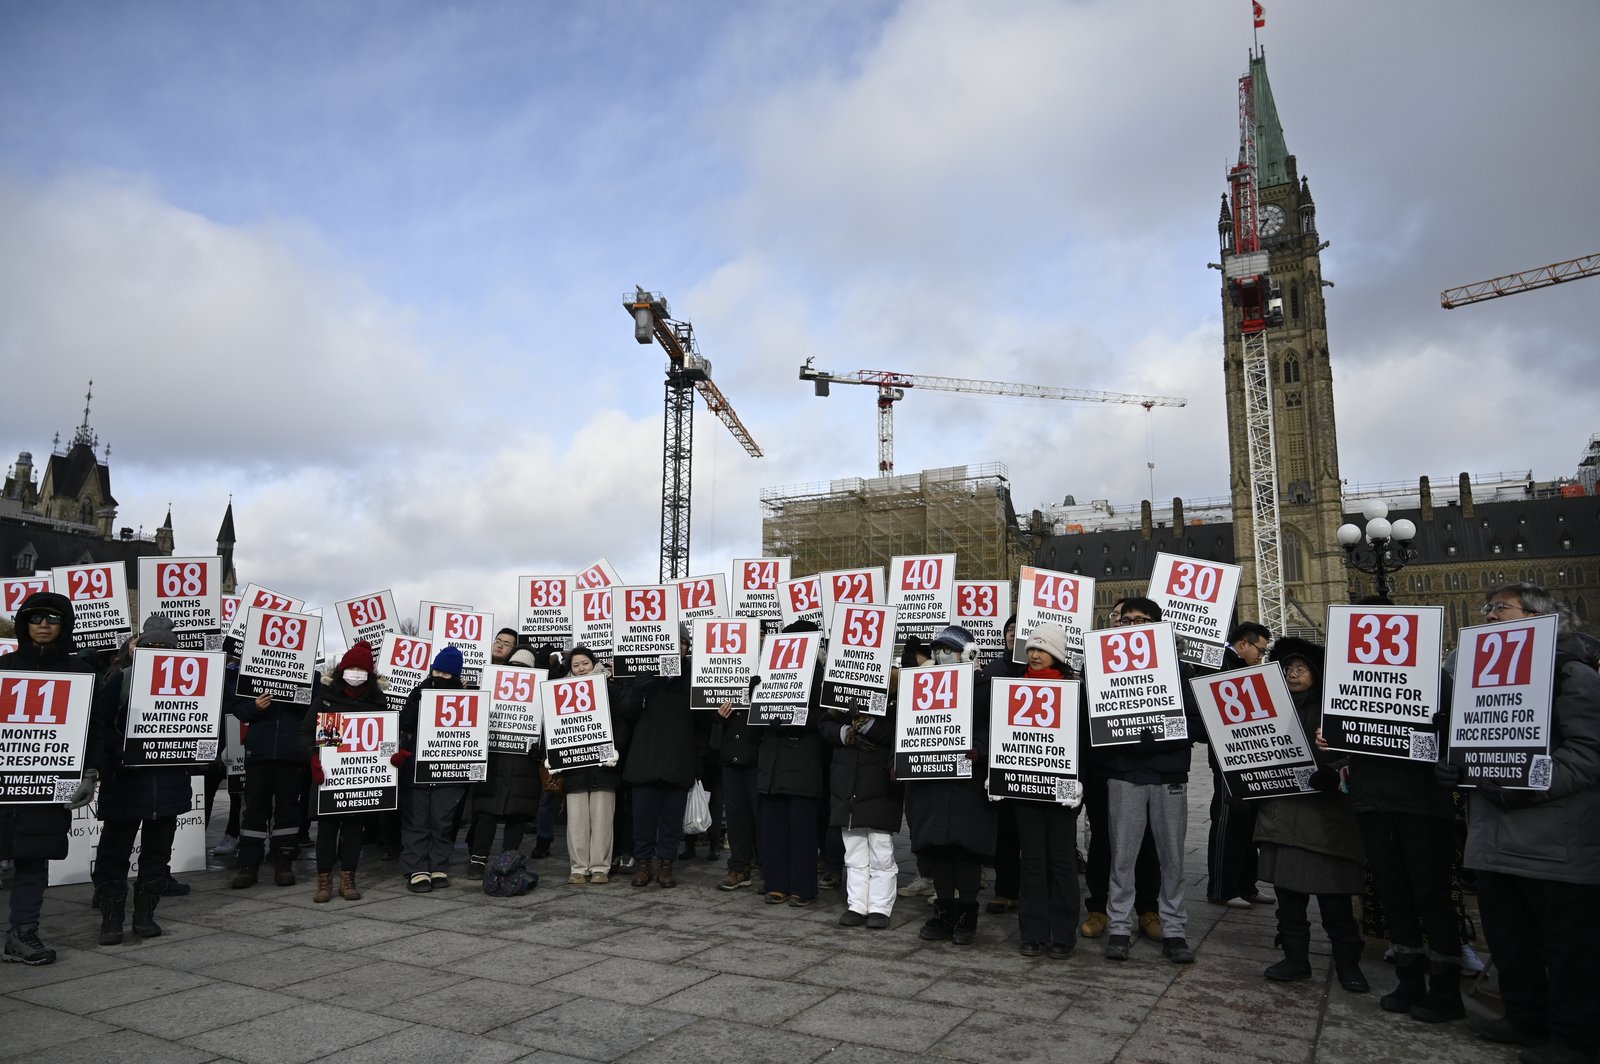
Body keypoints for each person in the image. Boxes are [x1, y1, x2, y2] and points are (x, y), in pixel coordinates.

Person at [1457, 584, 1600, 1062]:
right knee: (1510, 939)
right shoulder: (1482, 679)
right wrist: (1455, 766)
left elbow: (1587, 754)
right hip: (1495, 840)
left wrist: (1527, 785)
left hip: (1554, 842)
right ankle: (1524, 1018)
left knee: (1568, 948)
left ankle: (1576, 1040)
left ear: (1539, 618)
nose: (1490, 615)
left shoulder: (1572, 674)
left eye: (1501, 607)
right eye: (1488, 607)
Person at [1255, 637, 1368, 992]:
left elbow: (1359, 752)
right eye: (1288, 668)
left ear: (1316, 672)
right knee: (1288, 899)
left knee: (1335, 899)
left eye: (1301, 668)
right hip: (1281, 815)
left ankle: (1348, 963)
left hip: (1325, 820)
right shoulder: (1271, 707)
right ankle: (1295, 958)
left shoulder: (1338, 705)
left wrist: (1335, 773)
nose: (1293, 674)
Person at [1100, 597, 1203, 965]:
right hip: (1124, 774)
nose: (1133, 626)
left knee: (1172, 858)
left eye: (1142, 620)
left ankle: (1174, 930)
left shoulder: (1179, 670)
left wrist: (1158, 737)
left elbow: (1197, 724)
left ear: (1157, 626)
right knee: (1122, 857)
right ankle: (1119, 928)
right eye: (1127, 620)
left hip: (1167, 775)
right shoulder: (1106, 668)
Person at [0, 592, 101, 965]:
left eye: (53, 619)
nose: (43, 625)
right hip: (4, 780)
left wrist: (90, 772)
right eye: (36, 618)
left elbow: (95, 729)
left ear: (65, 626)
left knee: (33, 859)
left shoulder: (82, 672)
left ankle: (22, 933)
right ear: (24, 624)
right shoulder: (3, 667)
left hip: (48, 782)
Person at [91, 613, 194, 943]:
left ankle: (145, 915)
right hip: (126, 783)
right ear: (140, 649)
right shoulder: (121, 681)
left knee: (157, 854)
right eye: (152, 646)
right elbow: (98, 727)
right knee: (113, 853)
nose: (158, 652)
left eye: (165, 647)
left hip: (168, 786)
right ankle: (111, 918)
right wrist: (119, 751)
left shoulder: (192, 686)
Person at [1080, 597, 1164, 944]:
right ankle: (1099, 908)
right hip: (1104, 769)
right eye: (1121, 618)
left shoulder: (1165, 663)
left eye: (1137, 620)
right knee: (1103, 840)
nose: (1126, 624)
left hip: (1147, 770)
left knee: (1147, 843)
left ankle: (1147, 909)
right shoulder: (1094, 663)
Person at [905, 625, 994, 946]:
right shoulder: (920, 684)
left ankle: (967, 913)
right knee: (938, 847)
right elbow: (908, 724)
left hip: (968, 781)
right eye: (938, 650)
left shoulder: (984, 687)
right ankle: (943, 911)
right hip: (932, 780)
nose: (942, 655)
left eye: (949, 650)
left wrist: (979, 747)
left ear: (967, 653)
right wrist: (896, 762)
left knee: (966, 849)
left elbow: (994, 726)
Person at [1011, 622, 1083, 958]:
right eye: (1032, 649)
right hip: (1026, 788)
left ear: (1057, 655)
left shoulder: (1074, 689)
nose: (1035, 655)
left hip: (1062, 788)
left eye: (1042, 649)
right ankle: (1033, 932)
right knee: (1032, 862)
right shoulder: (1014, 687)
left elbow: (1083, 741)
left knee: (1062, 860)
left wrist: (1080, 780)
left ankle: (1064, 933)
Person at [229, 639, 320, 889]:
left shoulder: (311, 676)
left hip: (292, 755)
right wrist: (255, 706)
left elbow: (317, 710)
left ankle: (284, 863)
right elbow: (237, 709)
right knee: (254, 810)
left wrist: (295, 698)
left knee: (288, 810)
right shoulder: (252, 672)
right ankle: (248, 866)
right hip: (259, 752)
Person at [750, 621, 829, 907]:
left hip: (802, 764)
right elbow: (756, 723)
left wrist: (791, 718)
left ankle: (802, 887)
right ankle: (777, 883)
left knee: (802, 831)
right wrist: (755, 696)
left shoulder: (819, 674)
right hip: (772, 764)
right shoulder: (768, 671)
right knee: (773, 829)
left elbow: (822, 716)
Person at [305, 640, 386, 903]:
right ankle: (324, 881)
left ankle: (348, 879)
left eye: (361, 670)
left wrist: (392, 757)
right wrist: (313, 758)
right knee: (327, 829)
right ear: (342, 670)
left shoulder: (377, 702)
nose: (355, 674)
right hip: (329, 776)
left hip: (359, 778)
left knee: (354, 829)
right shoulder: (326, 698)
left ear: (369, 674)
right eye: (351, 668)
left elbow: (385, 738)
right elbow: (305, 732)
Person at [617, 633, 696, 888]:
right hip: (645, 759)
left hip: (679, 759)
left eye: (682, 642)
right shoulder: (642, 673)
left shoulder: (696, 674)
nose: (677, 646)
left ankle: (666, 864)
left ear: (687, 648)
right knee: (643, 818)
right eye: (673, 641)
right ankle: (643, 864)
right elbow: (626, 711)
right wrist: (638, 688)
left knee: (672, 820)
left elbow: (704, 721)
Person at [821, 681, 902, 929]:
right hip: (846, 783)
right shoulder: (840, 688)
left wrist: (869, 725)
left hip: (878, 782)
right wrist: (844, 733)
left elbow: (900, 731)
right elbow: (824, 724)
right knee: (854, 850)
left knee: (881, 849)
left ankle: (880, 907)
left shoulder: (894, 691)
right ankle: (857, 904)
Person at [1205, 621, 1274, 910]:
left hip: (1251, 756)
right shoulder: (1219, 666)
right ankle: (1221, 889)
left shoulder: (1248, 669)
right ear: (1243, 644)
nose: (1261, 655)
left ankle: (1247, 886)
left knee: (1247, 823)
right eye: (1260, 649)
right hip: (1227, 759)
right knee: (1228, 822)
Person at [394, 647, 469, 892]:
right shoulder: (419, 692)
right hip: (417, 768)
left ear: (455, 676)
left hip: (449, 771)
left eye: (446, 674)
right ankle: (416, 868)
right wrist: (418, 700)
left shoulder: (466, 698)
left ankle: (438, 865)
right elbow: (404, 723)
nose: (439, 676)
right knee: (416, 820)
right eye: (437, 671)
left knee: (442, 821)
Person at [467, 646, 542, 876]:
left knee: (518, 812)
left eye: (524, 667)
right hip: (495, 759)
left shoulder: (540, 693)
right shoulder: (490, 686)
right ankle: (478, 858)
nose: (517, 670)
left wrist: (540, 750)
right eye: (514, 665)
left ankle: (509, 859)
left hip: (524, 764)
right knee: (487, 811)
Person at [552, 646, 622, 884]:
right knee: (576, 820)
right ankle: (578, 868)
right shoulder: (559, 691)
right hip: (575, 767)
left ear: (594, 664)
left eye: (585, 663)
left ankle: (600, 867)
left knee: (602, 819)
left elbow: (621, 722)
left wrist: (616, 748)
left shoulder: (610, 689)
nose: (581, 669)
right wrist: (553, 755)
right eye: (575, 665)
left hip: (604, 766)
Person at [980, 614, 1022, 916]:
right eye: (1008, 629)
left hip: (1036, 761)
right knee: (1005, 832)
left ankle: (1034, 891)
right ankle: (1006, 891)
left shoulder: (1044, 671)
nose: (1012, 633)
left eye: (1018, 629)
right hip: (1001, 760)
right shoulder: (993, 669)